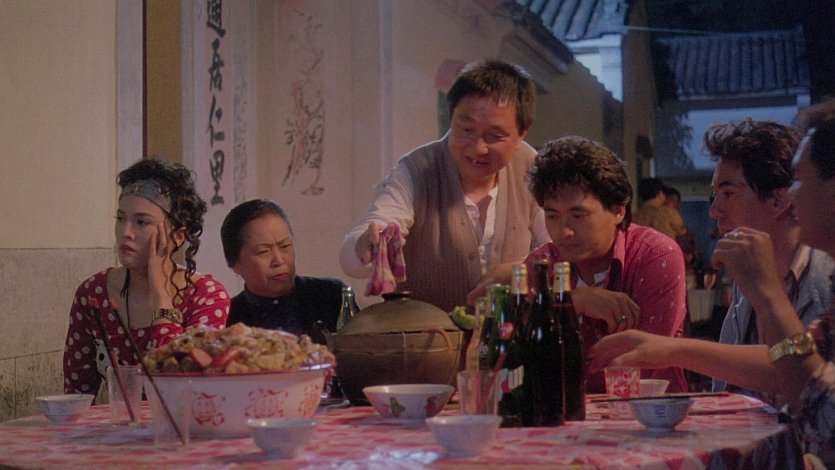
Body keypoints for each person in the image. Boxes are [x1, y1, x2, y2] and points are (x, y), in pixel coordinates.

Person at [588, 119, 833, 402]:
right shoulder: (748, 269)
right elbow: (735, 383)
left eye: (728, 193)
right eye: (715, 194)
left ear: (779, 201)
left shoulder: (824, 277)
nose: (714, 210)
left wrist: (672, 350)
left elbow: (804, 375)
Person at [338, 59, 549, 312]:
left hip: (511, 332)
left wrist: (521, 269)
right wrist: (367, 244)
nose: (478, 148)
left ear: (523, 132)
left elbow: (560, 249)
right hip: (427, 334)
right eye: (466, 129)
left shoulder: (530, 168)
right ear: (451, 117)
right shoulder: (416, 170)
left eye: (495, 136)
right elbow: (355, 251)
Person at [519, 135, 688, 393]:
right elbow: (517, 359)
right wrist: (572, 301)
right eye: (552, 216)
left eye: (578, 215)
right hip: (563, 411)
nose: (563, 232)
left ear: (618, 210)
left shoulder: (655, 255)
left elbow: (644, 361)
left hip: (647, 410)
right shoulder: (540, 264)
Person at [64, 157, 231, 396]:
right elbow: (76, 395)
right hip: (118, 419)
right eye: (120, 219)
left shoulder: (206, 295)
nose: (126, 232)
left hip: (184, 418)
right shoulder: (93, 293)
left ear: (178, 236)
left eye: (141, 222)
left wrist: (161, 298)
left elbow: (180, 387)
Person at [222, 199, 350, 345]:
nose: (279, 260)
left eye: (285, 246)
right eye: (263, 251)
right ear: (234, 263)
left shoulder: (332, 295)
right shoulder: (227, 319)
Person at [633, 177, 689, 243]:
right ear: (660, 194)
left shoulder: (633, 218)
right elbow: (684, 236)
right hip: (666, 248)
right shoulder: (669, 212)